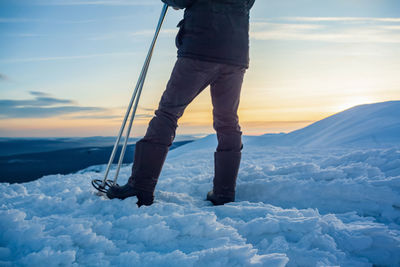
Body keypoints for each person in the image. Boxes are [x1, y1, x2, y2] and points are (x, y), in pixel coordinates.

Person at [107, 0, 255, 206]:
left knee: (167, 114)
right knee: (228, 121)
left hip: (199, 50)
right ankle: (224, 192)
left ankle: (140, 187)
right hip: (235, 56)